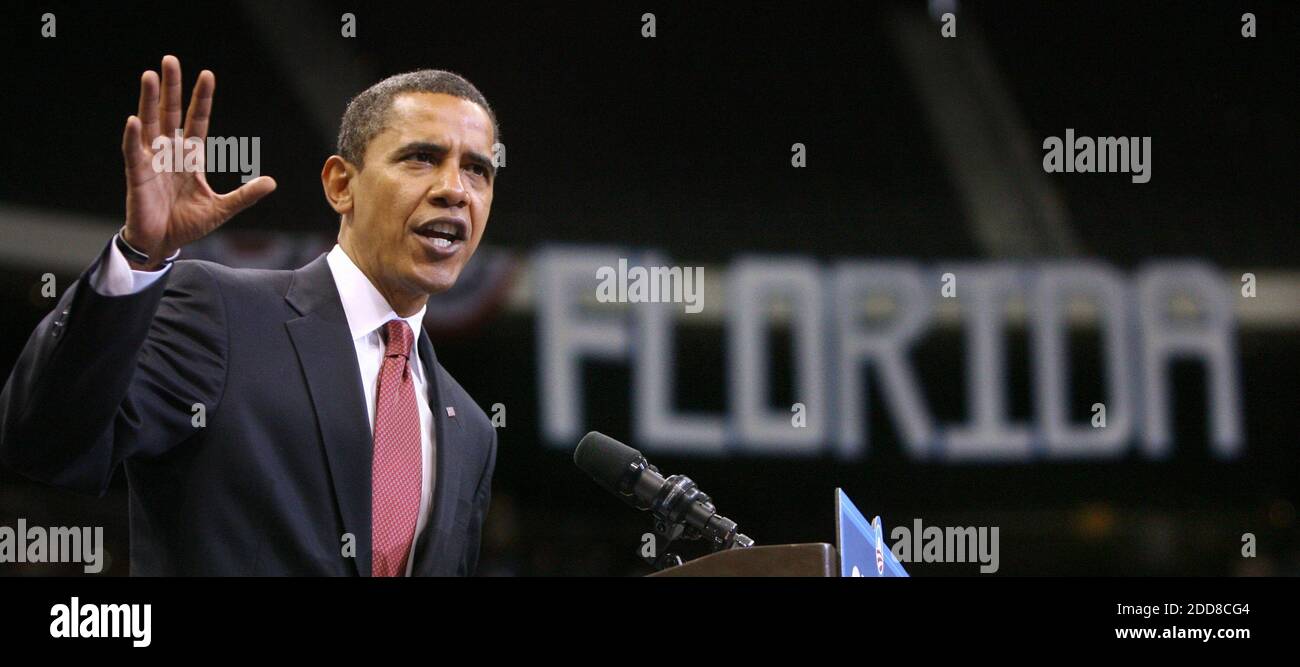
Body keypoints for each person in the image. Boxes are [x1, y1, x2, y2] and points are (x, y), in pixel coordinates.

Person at [0, 55, 500, 576]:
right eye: (422, 158)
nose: (455, 190)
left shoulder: (471, 430)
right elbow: (46, 443)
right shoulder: (221, 314)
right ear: (340, 185)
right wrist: (139, 257)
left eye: (477, 170)